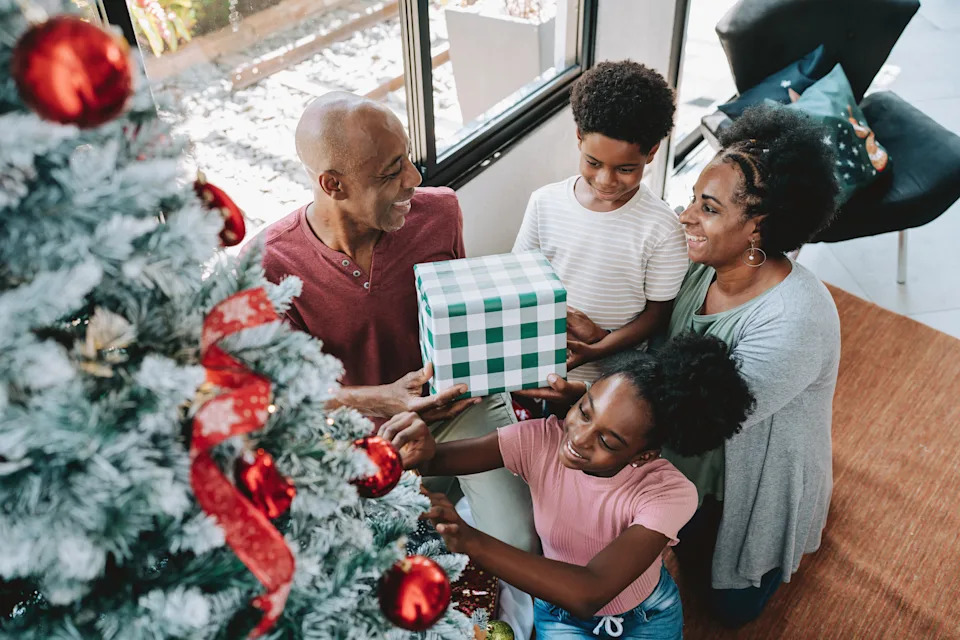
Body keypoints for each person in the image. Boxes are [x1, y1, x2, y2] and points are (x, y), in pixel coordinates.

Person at [550, 104, 843, 626]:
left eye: (707, 209)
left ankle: (803, 517)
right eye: (692, 199)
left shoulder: (796, 318)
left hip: (740, 481)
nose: (684, 216)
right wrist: (603, 344)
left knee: (726, 610)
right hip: (683, 460)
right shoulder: (697, 265)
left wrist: (581, 400)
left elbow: (691, 424)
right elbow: (659, 362)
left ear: (759, 226)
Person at [256, 92, 538, 555]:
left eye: (407, 157)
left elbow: (456, 312)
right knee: (365, 561)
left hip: (462, 409)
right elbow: (277, 395)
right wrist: (378, 400)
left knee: (521, 542)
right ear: (334, 185)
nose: (415, 178)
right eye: (391, 172)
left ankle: (450, 487)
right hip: (366, 432)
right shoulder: (271, 264)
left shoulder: (441, 211)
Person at [380, 334, 756, 639]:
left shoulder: (668, 493)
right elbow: (439, 459)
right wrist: (423, 448)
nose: (578, 438)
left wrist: (470, 539)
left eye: (609, 442)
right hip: (560, 616)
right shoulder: (539, 439)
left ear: (644, 455)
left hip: (648, 616)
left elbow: (589, 590)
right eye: (584, 411)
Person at [512, 60, 689, 384]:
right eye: (593, 163)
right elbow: (520, 281)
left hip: (611, 383)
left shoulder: (662, 228)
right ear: (579, 137)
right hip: (538, 370)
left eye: (625, 169)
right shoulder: (544, 203)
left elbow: (656, 316)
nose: (606, 180)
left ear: (651, 152)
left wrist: (598, 348)